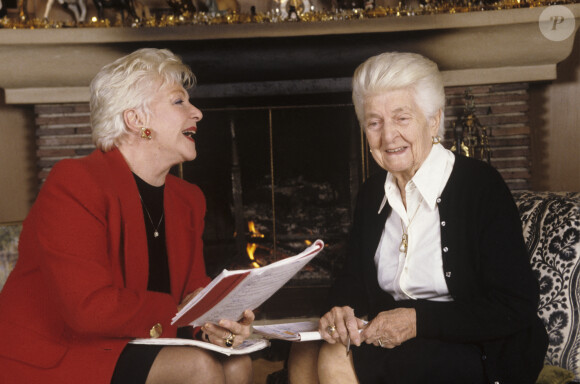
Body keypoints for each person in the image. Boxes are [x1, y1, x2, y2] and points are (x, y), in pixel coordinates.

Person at [288, 52, 548, 384]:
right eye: (374, 122)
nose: (388, 136)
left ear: (433, 120)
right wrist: (341, 310)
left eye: (402, 118)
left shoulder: (480, 186)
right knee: (303, 352)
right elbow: (353, 279)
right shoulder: (372, 194)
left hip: (477, 345)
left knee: (336, 356)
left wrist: (417, 321)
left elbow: (515, 304)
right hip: (399, 337)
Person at [0, 48, 255, 384]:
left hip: (139, 340)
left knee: (238, 364)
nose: (197, 112)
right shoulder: (76, 183)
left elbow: (193, 294)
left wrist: (218, 325)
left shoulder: (187, 199)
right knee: (198, 367)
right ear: (137, 120)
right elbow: (88, 310)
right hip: (61, 352)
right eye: (179, 102)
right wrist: (183, 311)